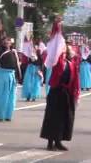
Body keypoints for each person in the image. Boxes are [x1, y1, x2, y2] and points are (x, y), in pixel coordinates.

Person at [41, 17, 80, 151]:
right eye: (65, 48)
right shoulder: (58, 64)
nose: (67, 50)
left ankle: (58, 141)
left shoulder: (72, 65)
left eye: (67, 49)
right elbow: (56, 44)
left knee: (64, 118)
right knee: (53, 118)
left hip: (66, 95)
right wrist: (57, 26)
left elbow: (75, 82)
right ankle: (50, 142)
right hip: (56, 92)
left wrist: (75, 95)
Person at [0, 36, 21, 121]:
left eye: (8, 41)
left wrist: (18, 76)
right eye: (5, 41)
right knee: (2, 95)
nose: (7, 42)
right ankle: (0, 114)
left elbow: (17, 65)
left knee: (11, 96)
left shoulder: (13, 52)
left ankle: (8, 115)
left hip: (11, 75)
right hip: (3, 75)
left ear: (11, 43)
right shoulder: (1, 51)